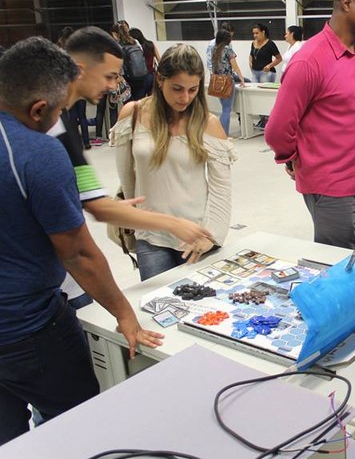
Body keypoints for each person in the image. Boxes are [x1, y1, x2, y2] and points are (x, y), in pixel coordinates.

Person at [0, 37, 164, 446]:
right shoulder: (36, 152)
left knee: (10, 439)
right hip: (28, 329)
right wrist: (125, 314)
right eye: (55, 113)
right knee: (79, 428)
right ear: (39, 109)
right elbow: (78, 252)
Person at [52, 26, 214, 307]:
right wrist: (123, 311)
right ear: (79, 69)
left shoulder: (61, 122)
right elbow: (87, 226)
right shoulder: (43, 120)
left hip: (59, 278)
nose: (114, 86)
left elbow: (94, 199)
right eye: (110, 76)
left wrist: (171, 223)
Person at [265, 0, 355, 249]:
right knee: (340, 266)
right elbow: (277, 130)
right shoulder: (309, 60)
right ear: (347, 4)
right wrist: (294, 158)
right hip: (334, 185)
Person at [112, 44, 237, 281]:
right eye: (177, 88)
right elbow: (127, 177)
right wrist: (136, 220)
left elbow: (221, 189)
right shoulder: (133, 114)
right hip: (150, 237)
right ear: (160, 79)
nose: (185, 97)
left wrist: (210, 236)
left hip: (195, 236)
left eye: (193, 89)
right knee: (157, 310)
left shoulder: (207, 124)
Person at [210, 28, 246, 136]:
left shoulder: (214, 49)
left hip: (217, 81)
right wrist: (241, 78)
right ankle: (224, 134)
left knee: (223, 108)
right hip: (227, 81)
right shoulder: (227, 49)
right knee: (226, 110)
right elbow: (235, 66)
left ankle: (221, 132)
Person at [111, 22, 146, 102]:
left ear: (115, 34)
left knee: (129, 106)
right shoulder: (135, 42)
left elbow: (118, 64)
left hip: (127, 78)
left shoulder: (117, 46)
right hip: (141, 76)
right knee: (140, 103)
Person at [129, 27, 161, 97]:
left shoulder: (135, 48)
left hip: (141, 77)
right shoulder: (150, 44)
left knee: (140, 100)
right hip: (152, 75)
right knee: (151, 99)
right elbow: (159, 59)